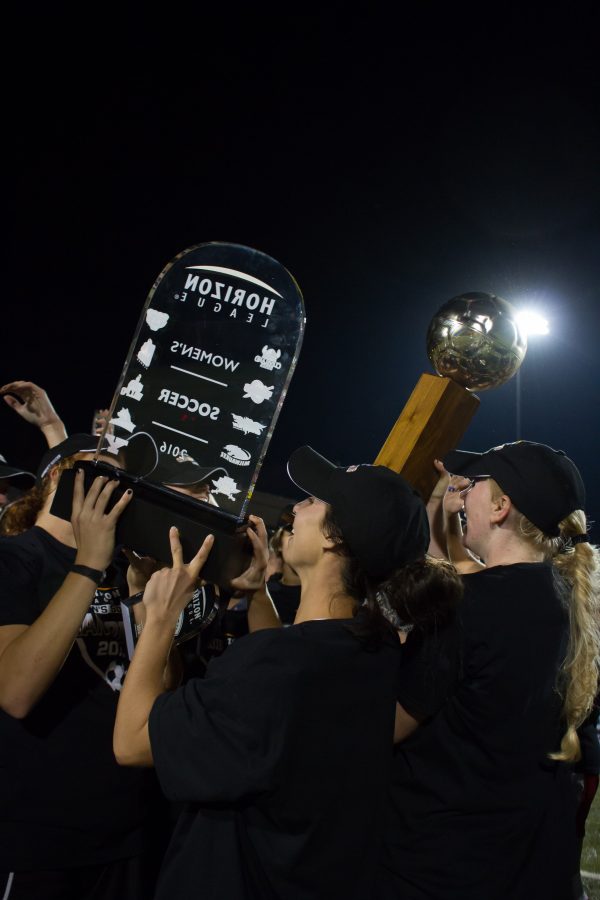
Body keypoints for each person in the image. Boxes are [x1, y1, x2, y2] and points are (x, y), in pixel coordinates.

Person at [113, 446, 462, 900]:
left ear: (336, 539)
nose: (295, 508)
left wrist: (157, 616)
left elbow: (131, 741)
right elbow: (291, 692)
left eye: (314, 501)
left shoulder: (277, 665)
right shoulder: (373, 649)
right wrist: (259, 594)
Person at [378, 440, 600, 900]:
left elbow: (387, 725)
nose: (465, 490)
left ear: (501, 506)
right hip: (527, 864)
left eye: (476, 484)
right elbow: (456, 565)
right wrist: (441, 508)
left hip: (445, 864)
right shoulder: (566, 597)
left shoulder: (470, 606)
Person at [0, 435, 167, 900]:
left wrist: (144, 604)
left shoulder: (122, 574)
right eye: (103, 473)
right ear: (59, 476)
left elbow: (151, 695)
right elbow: (14, 691)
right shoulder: (14, 559)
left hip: (125, 834)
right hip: (38, 841)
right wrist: (89, 563)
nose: (114, 490)